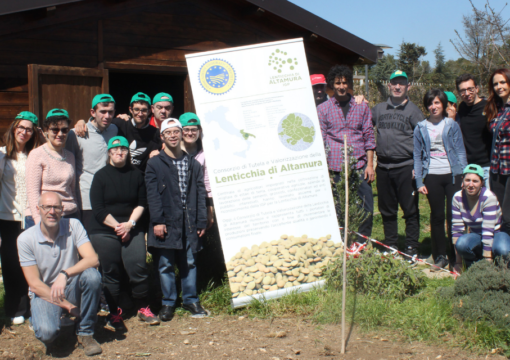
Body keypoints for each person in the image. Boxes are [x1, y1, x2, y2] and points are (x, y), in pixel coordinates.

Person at [17, 192, 102, 356]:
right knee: (47, 334)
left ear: (62, 210)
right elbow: (35, 284)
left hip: (69, 285)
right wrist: (69, 307)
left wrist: (65, 274)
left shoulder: (74, 225)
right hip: (45, 292)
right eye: (47, 207)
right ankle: (45, 318)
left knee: (92, 276)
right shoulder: (25, 239)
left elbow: (93, 259)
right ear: (38, 209)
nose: (52, 211)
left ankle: (86, 333)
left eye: (56, 207)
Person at [89, 136, 158, 329]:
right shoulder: (100, 176)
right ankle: (114, 313)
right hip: (104, 229)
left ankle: (143, 307)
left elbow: (141, 203)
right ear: (109, 152)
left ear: (128, 153)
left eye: (124, 149)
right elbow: (98, 208)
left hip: (131, 227)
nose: (120, 152)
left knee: (138, 266)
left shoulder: (137, 175)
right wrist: (118, 227)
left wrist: (129, 224)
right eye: (116, 149)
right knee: (110, 270)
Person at [145, 118, 208, 321]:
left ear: (181, 135)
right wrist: (158, 221)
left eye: (176, 132)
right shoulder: (154, 163)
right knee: (165, 264)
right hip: (166, 221)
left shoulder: (193, 163)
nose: (173, 135)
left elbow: (200, 193)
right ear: (162, 137)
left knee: (190, 262)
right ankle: (168, 302)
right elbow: (152, 195)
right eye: (168, 133)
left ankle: (190, 299)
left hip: (188, 221)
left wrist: (201, 220)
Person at [318, 65, 376, 239]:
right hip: (335, 167)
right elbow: (321, 139)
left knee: (366, 207)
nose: (341, 86)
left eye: (344, 82)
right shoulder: (323, 109)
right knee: (338, 207)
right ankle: (342, 243)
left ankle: (361, 242)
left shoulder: (361, 106)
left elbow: (369, 136)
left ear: (349, 84)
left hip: (359, 165)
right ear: (332, 85)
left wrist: (370, 165)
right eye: (337, 83)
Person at [371, 70, 424, 256]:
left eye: (402, 83)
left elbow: (424, 139)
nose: (398, 86)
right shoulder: (378, 109)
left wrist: (419, 168)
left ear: (408, 86)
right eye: (394, 83)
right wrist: (359, 100)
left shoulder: (413, 111)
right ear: (389, 85)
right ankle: (391, 245)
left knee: (410, 210)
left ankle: (411, 248)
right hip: (384, 167)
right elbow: (362, 124)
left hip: (405, 167)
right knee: (387, 210)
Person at [414, 89, 467, 270]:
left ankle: (455, 257)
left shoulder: (452, 125)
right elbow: (417, 156)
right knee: (437, 216)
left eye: (437, 103)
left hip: (452, 175)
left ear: (443, 105)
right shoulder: (421, 127)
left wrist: (464, 175)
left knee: (454, 216)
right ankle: (440, 256)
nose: (433, 106)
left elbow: (460, 151)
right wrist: (420, 182)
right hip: (432, 176)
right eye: (430, 103)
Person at [0, 111, 41, 325]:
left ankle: (34, 304)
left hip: (31, 217)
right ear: (14, 128)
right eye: (21, 127)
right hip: (8, 217)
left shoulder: (35, 155)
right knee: (11, 263)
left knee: (32, 261)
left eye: (29, 129)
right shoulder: (2, 156)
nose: (24, 132)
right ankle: (16, 307)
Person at [65, 94, 118, 231]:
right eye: (102, 111)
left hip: (108, 197)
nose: (107, 116)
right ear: (93, 112)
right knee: (87, 241)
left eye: (110, 112)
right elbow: (67, 165)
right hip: (86, 198)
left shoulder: (114, 130)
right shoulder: (76, 134)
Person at [74, 92, 162, 173]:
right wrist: (82, 122)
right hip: (118, 177)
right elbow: (100, 121)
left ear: (150, 111)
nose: (140, 113)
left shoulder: (156, 134)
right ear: (130, 110)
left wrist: (161, 152)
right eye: (136, 109)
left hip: (140, 181)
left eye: (144, 110)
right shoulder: (119, 124)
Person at [25, 109, 78, 228]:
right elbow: (32, 191)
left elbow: (72, 190)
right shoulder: (36, 154)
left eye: (64, 130)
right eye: (55, 130)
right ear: (46, 131)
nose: (60, 134)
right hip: (44, 216)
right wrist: (38, 220)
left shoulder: (70, 156)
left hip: (69, 215)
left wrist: (76, 210)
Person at [452, 164, 510, 272]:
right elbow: (457, 230)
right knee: (462, 243)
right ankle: (473, 267)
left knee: (504, 250)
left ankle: (499, 268)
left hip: (496, 233)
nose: (470, 184)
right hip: (476, 234)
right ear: (462, 181)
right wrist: (458, 263)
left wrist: (487, 260)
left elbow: (488, 230)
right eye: (467, 180)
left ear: (482, 183)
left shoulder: (489, 197)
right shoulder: (457, 197)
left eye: (475, 181)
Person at [456, 74, 492, 187]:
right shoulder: (461, 108)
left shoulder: (488, 107)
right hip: (468, 167)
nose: (466, 94)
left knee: (489, 203)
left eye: (470, 89)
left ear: (477, 88)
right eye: (462, 90)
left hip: (487, 167)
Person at [179, 112, 213, 229]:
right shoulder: (171, 151)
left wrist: (209, 209)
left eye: (194, 130)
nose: (190, 133)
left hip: (197, 204)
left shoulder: (205, 153)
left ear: (199, 131)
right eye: (186, 129)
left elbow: (207, 183)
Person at [488, 68, 510, 233]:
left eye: (503, 82)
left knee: (509, 216)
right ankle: (502, 254)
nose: (499, 86)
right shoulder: (497, 108)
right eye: (495, 83)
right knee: (501, 213)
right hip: (496, 168)